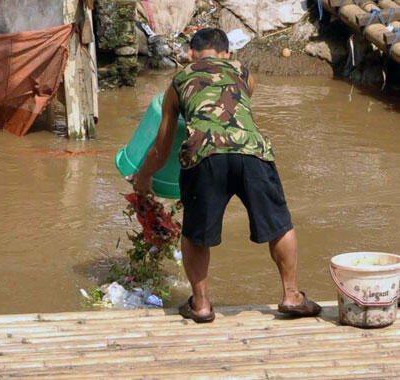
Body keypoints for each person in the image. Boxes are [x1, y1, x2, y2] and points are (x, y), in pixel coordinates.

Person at [131, 28, 321, 323]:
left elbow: (162, 145)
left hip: (204, 155)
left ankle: (202, 304)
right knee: (279, 224)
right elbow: (239, 114)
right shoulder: (243, 72)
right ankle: (291, 295)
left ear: (190, 54)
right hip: (253, 153)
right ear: (227, 53)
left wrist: (143, 177)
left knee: (195, 235)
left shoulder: (179, 80)